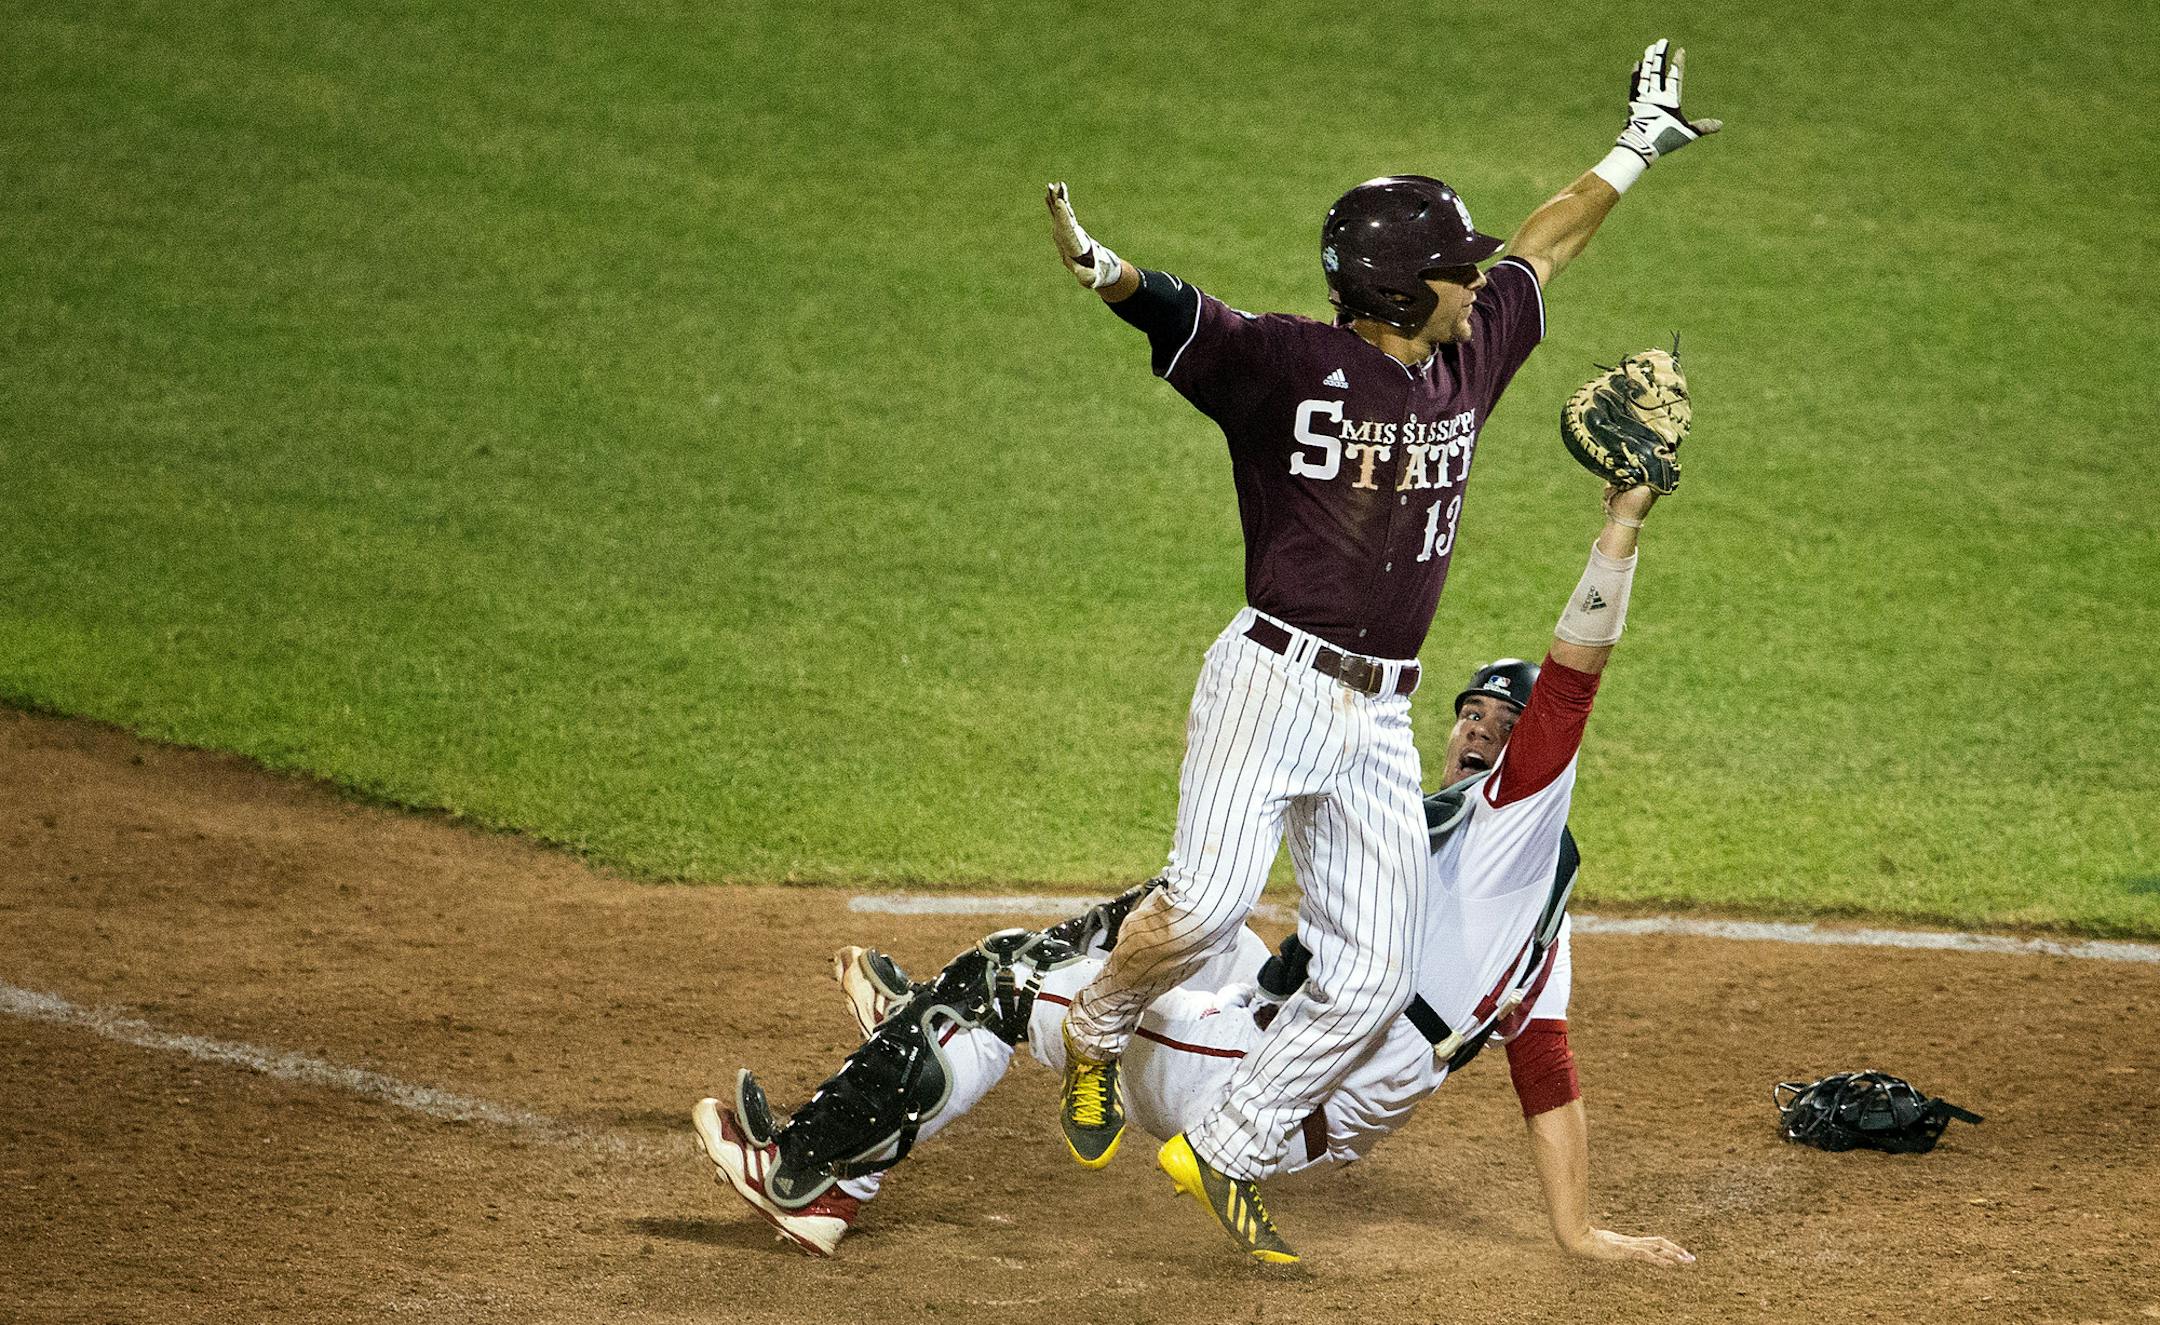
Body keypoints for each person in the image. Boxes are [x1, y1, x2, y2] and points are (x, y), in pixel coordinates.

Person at [1041, 38, 1723, 1235]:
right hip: (1268, 681)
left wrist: (1637, 147)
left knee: (1367, 972)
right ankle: (1094, 1029)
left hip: (1376, 713)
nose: (1480, 279)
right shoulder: (1294, 365)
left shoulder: (1472, 359)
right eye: (1457, 268)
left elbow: (1548, 238)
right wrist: (1106, 272)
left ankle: (1229, 1147)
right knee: (1204, 905)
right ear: (1405, 289)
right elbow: (1189, 314)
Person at [691, 466, 1688, 1267]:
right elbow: (1546, 1071)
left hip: (1257, 1084)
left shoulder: (1515, 822)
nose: (1478, 732)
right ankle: (936, 1042)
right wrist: (1577, 1228)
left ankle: (819, 1177)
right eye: (1469, 711)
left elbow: (1570, 684)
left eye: (1501, 725)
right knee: (1196, 918)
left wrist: (1619, 532)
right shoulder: (1538, 908)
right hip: (1314, 1089)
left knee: (995, 978)